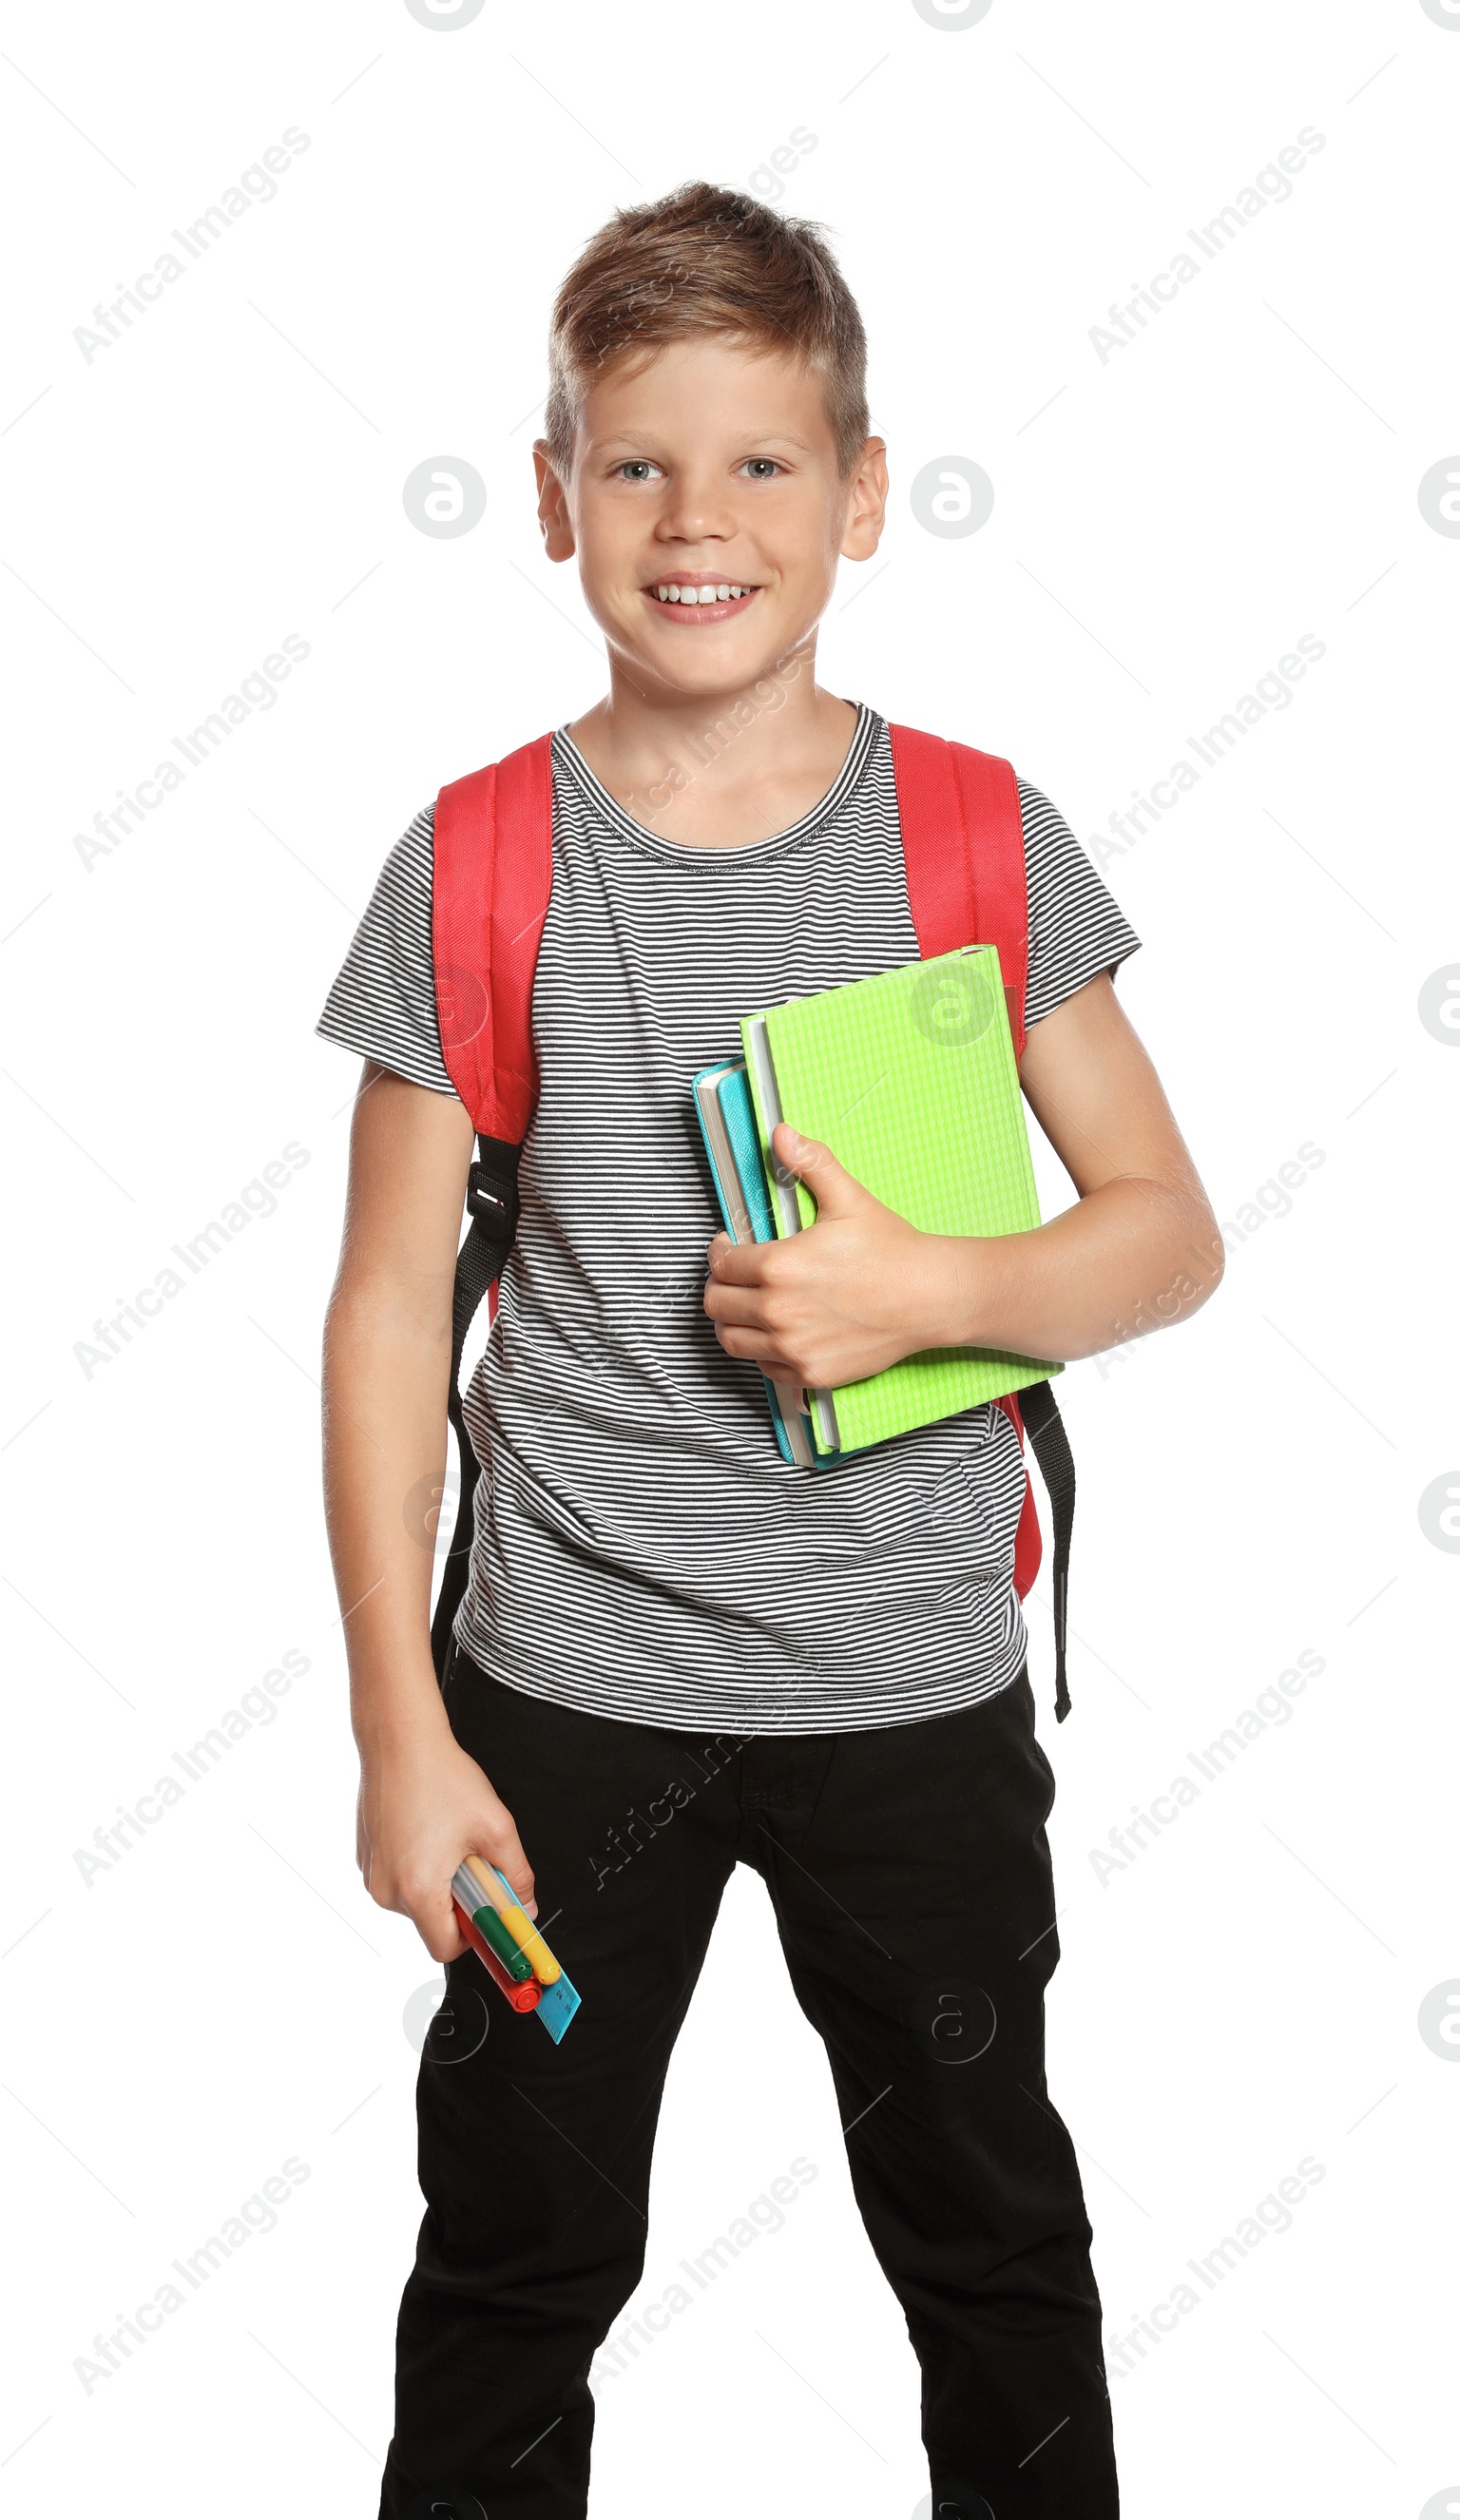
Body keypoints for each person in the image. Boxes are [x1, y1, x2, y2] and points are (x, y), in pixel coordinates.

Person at [317, 180, 1221, 2520]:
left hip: (904, 1702)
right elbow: (383, 1309)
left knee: (991, 2250)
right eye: (633, 465)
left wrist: (939, 1287)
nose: (693, 520)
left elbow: (1165, 1238)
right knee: (514, 2262)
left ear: (858, 494)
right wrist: (397, 1736)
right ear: (550, 500)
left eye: (756, 465)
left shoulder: (975, 837)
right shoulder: (478, 862)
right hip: (553, 1707)